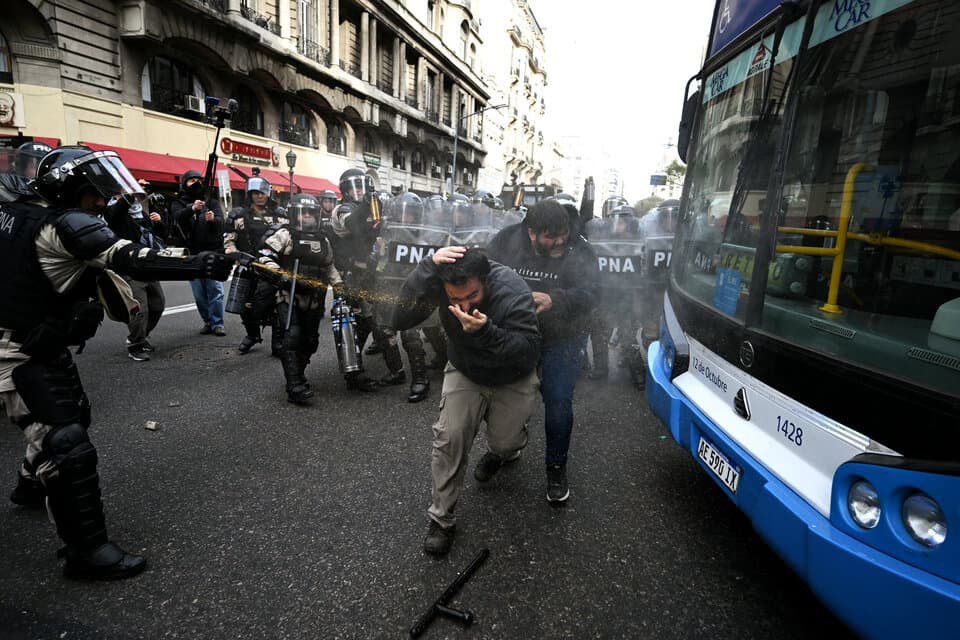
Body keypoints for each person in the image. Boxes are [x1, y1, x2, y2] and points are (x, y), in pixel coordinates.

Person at [2, 146, 233, 579]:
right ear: (69, 189)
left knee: (70, 415)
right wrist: (203, 263)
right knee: (66, 441)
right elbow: (132, 258)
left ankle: (30, 485)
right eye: (94, 191)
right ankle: (85, 553)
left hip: (37, 342)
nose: (103, 200)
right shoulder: (63, 225)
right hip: (14, 350)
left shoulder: (20, 214)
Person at [393, 246, 541, 555]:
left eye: (471, 297)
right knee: (450, 438)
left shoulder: (513, 289)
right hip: (466, 369)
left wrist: (486, 332)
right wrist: (426, 267)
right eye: (455, 300)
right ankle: (441, 519)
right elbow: (399, 317)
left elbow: (528, 350)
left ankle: (501, 454)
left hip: (512, 374)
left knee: (506, 442)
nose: (463, 306)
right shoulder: (438, 284)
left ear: (485, 281)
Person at [487, 199, 598, 503]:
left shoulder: (580, 248)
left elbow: (594, 293)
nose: (559, 241)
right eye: (551, 236)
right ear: (532, 232)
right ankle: (503, 450)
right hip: (516, 333)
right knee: (504, 397)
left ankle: (556, 467)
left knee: (558, 401)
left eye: (562, 234)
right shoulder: (507, 239)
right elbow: (483, 272)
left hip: (563, 336)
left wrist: (556, 300)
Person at [256, 193, 342, 404]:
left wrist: (339, 286)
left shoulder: (323, 239)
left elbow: (329, 266)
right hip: (289, 294)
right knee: (291, 337)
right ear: (294, 215)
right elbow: (264, 257)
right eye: (302, 214)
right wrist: (281, 276)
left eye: (311, 214)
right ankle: (294, 385)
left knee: (311, 341)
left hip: (314, 298)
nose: (307, 218)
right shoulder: (285, 235)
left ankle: (299, 373)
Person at [329, 168, 402, 391]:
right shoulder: (341, 210)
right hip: (352, 276)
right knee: (352, 324)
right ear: (345, 190)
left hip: (373, 274)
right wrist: (370, 203)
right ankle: (354, 373)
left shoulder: (372, 207)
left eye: (360, 186)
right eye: (353, 187)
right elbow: (353, 224)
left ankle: (395, 370)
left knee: (380, 322)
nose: (357, 191)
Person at [224, 176, 288, 355]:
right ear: (249, 194)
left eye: (262, 193)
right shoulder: (239, 215)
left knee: (275, 305)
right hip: (247, 265)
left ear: (268, 193)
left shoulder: (280, 214)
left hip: (272, 267)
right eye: (255, 193)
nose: (259, 196)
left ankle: (278, 342)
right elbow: (229, 242)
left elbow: (288, 239)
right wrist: (237, 256)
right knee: (244, 305)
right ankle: (252, 335)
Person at [101, 194, 168, 361]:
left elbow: (159, 235)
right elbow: (113, 214)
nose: (137, 199)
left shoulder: (142, 213)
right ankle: (135, 344)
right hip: (129, 266)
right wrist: (128, 196)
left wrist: (159, 222)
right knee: (140, 309)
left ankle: (142, 335)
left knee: (158, 304)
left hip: (149, 264)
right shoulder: (113, 211)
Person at [170, 169, 226, 336]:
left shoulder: (212, 202)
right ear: (184, 184)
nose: (196, 183)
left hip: (213, 251)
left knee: (215, 289)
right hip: (192, 253)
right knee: (199, 293)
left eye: (198, 179)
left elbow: (222, 223)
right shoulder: (178, 203)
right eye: (191, 180)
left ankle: (217, 323)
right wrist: (192, 209)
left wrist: (213, 220)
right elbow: (177, 218)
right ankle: (207, 321)